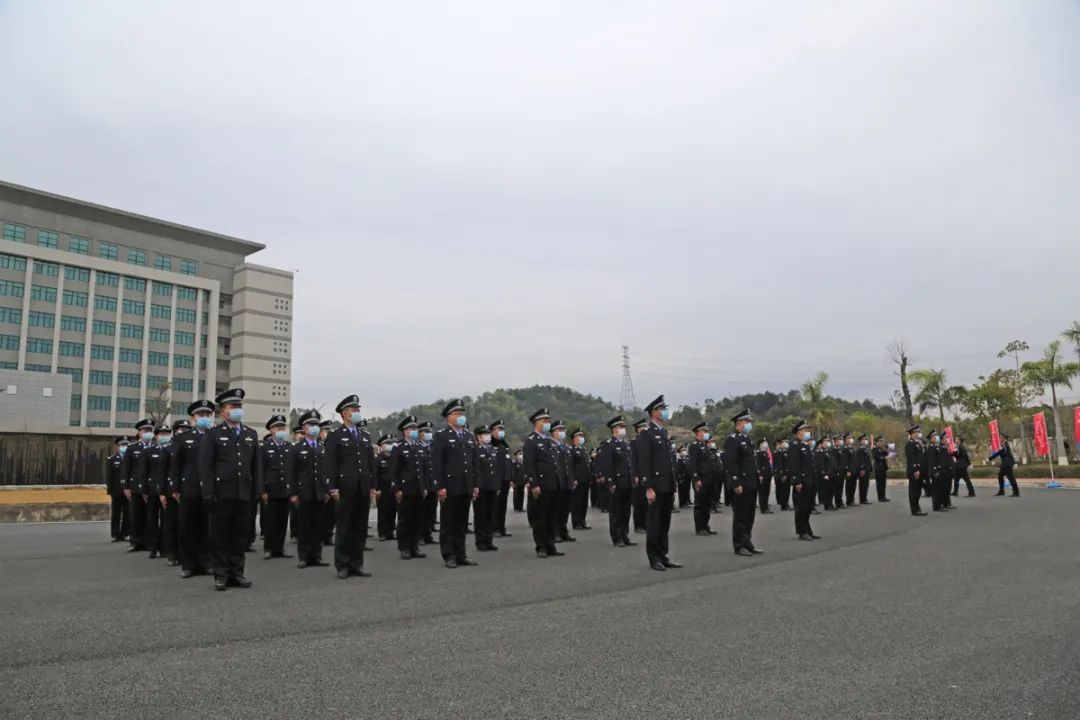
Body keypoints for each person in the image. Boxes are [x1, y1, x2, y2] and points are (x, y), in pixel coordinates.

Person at [199, 388, 262, 591]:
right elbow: (205, 466)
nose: (237, 410)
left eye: (239, 407)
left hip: (244, 493)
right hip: (221, 493)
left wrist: (257, 491)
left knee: (239, 536)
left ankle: (237, 573)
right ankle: (221, 574)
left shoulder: (250, 434)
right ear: (223, 411)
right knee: (220, 536)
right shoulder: (213, 434)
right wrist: (208, 492)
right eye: (233, 407)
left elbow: (256, 466)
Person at [323, 395, 376, 579]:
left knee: (359, 528)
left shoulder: (364, 436)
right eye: (353, 410)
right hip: (344, 488)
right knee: (344, 528)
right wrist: (332, 487)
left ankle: (357, 563)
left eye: (358, 410)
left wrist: (372, 486)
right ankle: (343, 565)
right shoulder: (335, 436)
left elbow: (370, 463)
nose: (357, 413)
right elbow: (329, 463)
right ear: (344, 413)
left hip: (362, 487)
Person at [431, 399, 480, 568]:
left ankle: (461, 554)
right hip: (450, 487)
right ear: (448, 417)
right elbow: (436, 463)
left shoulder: (468, 436)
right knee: (448, 523)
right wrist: (440, 486)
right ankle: (449, 555)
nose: (461, 417)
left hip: (466, 485)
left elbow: (474, 463)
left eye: (462, 414)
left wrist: (475, 484)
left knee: (461, 523)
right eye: (457, 414)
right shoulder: (442, 436)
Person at [635, 395, 682, 572]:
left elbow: (669, 461)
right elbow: (644, 462)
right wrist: (648, 487)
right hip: (655, 485)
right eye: (662, 409)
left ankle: (663, 554)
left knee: (664, 522)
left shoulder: (662, 432)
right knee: (654, 522)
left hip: (667, 484)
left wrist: (673, 483)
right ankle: (654, 558)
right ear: (654, 412)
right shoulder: (646, 433)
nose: (665, 412)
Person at [170, 400, 214, 578]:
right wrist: (175, 487)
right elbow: (176, 465)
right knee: (187, 528)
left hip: (210, 489)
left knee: (207, 528)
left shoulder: (215, 435)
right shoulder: (183, 438)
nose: (204, 418)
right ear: (193, 418)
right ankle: (188, 565)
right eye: (200, 415)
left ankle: (206, 562)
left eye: (207, 415)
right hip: (189, 488)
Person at [288, 410, 329, 568]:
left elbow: (326, 471)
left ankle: (317, 555)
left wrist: (327, 491)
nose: (315, 427)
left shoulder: (322, 448)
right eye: (311, 425)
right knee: (304, 526)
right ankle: (304, 557)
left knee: (318, 525)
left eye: (317, 425)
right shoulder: (296, 448)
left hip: (319, 492)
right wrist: (292, 493)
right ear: (304, 427)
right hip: (303, 492)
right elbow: (291, 473)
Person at [523, 408, 563, 558]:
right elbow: (529, 465)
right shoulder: (531, 441)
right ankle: (541, 546)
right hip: (541, 485)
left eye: (548, 421)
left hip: (554, 484)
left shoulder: (549, 441)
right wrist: (534, 484)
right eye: (545, 421)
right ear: (537, 423)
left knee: (552, 516)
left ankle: (550, 544)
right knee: (541, 516)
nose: (548, 423)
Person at [389, 415, 429, 560]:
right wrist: (397, 489)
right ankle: (404, 547)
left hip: (418, 489)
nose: (414, 431)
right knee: (405, 520)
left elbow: (424, 470)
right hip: (405, 489)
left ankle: (414, 546)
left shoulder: (420, 447)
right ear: (404, 431)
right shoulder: (398, 448)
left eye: (415, 428)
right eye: (411, 429)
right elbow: (394, 471)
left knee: (417, 519)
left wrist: (425, 487)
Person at [724, 409, 762, 557]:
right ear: (739, 423)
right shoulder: (732, 440)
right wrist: (736, 482)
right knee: (740, 516)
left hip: (751, 482)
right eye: (747, 422)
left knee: (749, 515)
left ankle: (747, 542)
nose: (749, 424)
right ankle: (739, 545)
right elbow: (731, 463)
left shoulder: (746, 438)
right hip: (741, 483)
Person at [596, 415, 635, 547]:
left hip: (627, 482)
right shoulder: (609, 445)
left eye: (624, 427)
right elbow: (607, 465)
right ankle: (616, 537)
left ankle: (625, 535)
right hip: (617, 483)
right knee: (616, 512)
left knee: (626, 511)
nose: (623, 429)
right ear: (614, 429)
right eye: (620, 427)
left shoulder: (626, 444)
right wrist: (611, 482)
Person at [259, 415, 294, 559]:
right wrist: (263, 490)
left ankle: (280, 548)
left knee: (282, 521)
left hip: (284, 489)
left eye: (283, 428)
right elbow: (261, 470)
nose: (281, 430)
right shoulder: (265, 447)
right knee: (270, 521)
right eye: (278, 428)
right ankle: (269, 548)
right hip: (270, 490)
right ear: (271, 430)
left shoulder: (288, 447)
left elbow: (291, 470)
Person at [123, 419, 155, 553]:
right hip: (135, 486)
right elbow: (126, 468)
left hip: (152, 486)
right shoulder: (132, 448)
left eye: (150, 430)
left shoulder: (157, 446)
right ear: (139, 433)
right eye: (145, 430)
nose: (148, 432)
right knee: (136, 514)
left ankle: (150, 542)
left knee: (151, 515)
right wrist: (126, 486)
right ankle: (135, 541)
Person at [156, 422, 182, 567]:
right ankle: (172, 554)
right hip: (170, 492)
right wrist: (161, 493)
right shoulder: (168, 450)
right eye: (180, 430)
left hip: (188, 492)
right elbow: (162, 473)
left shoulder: (196, 447)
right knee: (171, 525)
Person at [788, 421, 819, 541]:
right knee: (801, 507)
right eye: (805, 430)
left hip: (809, 480)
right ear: (799, 431)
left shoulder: (804, 445)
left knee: (808, 507)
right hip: (802, 481)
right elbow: (794, 466)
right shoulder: (794, 445)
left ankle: (808, 530)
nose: (807, 432)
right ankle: (802, 532)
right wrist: (797, 481)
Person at [472, 425, 499, 552]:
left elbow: (496, 470)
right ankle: (481, 541)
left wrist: (497, 485)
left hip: (492, 487)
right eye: (485, 434)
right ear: (478, 436)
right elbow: (474, 470)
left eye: (489, 434)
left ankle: (489, 540)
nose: (488, 436)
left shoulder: (493, 449)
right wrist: (475, 486)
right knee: (481, 516)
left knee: (491, 515)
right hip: (481, 488)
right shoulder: (475, 450)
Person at [687, 422, 717, 536]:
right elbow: (692, 464)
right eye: (705, 431)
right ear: (698, 433)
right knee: (700, 504)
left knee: (707, 504)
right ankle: (699, 528)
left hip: (709, 479)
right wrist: (696, 479)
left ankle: (706, 525)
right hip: (701, 479)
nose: (706, 433)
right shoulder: (694, 446)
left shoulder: (705, 446)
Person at [549, 420, 575, 543]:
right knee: (556, 510)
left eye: (563, 430)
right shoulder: (550, 446)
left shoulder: (566, 447)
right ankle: (555, 532)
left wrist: (573, 479)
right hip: (557, 482)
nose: (562, 432)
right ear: (553, 432)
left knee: (565, 509)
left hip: (567, 482)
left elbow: (570, 465)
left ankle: (564, 531)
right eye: (559, 430)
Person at [490, 420, 513, 537]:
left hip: (505, 479)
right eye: (499, 429)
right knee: (495, 505)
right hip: (495, 480)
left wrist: (511, 478)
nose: (501, 432)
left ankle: (501, 527)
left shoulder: (505, 444)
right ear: (492, 432)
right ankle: (494, 528)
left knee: (503, 505)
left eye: (502, 429)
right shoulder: (490, 444)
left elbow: (509, 462)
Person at [105, 437, 129, 542]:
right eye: (122, 445)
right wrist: (110, 490)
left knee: (128, 513)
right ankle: (115, 534)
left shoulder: (131, 458)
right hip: (116, 491)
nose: (124, 447)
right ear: (117, 447)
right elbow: (109, 476)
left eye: (126, 445)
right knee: (116, 513)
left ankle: (126, 533)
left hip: (128, 490)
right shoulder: (112, 459)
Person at [418, 420, 438, 544]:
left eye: (430, 431)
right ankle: (419, 535)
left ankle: (428, 534)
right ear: (420, 433)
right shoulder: (417, 446)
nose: (429, 434)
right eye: (426, 431)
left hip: (433, 484)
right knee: (421, 511)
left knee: (431, 511)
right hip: (423, 484)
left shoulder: (433, 447)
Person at [374, 434, 397, 542]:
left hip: (393, 488)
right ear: (381, 446)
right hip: (382, 489)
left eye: (390, 443)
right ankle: (382, 533)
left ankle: (390, 532)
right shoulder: (378, 459)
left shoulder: (395, 458)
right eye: (387, 443)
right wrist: (376, 489)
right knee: (383, 512)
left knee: (392, 511)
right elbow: (375, 475)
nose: (389, 445)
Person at [318, 419, 336, 547]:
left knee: (331, 513)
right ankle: (319, 536)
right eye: (325, 430)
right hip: (319, 485)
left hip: (332, 484)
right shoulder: (317, 446)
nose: (328, 433)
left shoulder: (333, 446)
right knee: (320, 514)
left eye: (329, 430)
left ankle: (328, 536)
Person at [569, 429, 592, 530]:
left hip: (585, 480)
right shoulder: (572, 450)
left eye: (582, 436)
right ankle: (576, 522)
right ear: (574, 439)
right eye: (579, 436)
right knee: (576, 502)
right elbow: (571, 466)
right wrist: (573, 479)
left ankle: (582, 521)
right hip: (577, 480)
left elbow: (587, 466)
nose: (582, 438)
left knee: (584, 502)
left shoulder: (583, 450)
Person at [630, 418, 649, 534]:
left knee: (647, 502)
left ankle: (646, 523)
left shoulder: (647, 442)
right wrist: (635, 475)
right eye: (642, 428)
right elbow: (633, 461)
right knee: (639, 502)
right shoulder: (634, 443)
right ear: (637, 430)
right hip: (638, 476)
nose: (645, 430)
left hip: (648, 476)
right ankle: (639, 525)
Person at [905, 425, 927, 516]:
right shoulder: (910, 444)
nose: (918, 433)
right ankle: (915, 509)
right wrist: (915, 469)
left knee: (918, 491)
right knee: (914, 491)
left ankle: (917, 507)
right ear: (913, 433)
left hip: (919, 470)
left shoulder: (917, 443)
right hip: (914, 471)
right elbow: (912, 458)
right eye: (917, 432)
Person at [755, 438, 774, 514]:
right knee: (762, 492)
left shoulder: (765, 453)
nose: (766, 444)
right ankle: (763, 508)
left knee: (767, 491)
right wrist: (760, 475)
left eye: (766, 442)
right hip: (762, 475)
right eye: (764, 442)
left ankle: (766, 506)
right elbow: (758, 465)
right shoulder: (758, 453)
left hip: (767, 474)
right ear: (760, 444)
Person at [773, 437, 792, 511]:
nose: (786, 443)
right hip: (783, 474)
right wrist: (782, 474)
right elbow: (779, 464)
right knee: (783, 490)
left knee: (787, 490)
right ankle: (784, 505)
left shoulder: (786, 451)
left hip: (787, 473)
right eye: (784, 442)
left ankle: (786, 503)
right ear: (781, 444)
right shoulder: (779, 452)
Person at [872, 436, 890, 502]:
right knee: (879, 483)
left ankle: (883, 496)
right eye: (881, 441)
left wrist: (886, 448)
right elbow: (876, 457)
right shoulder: (875, 448)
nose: (882, 442)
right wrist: (884, 458)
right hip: (878, 468)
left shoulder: (882, 448)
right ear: (877, 442)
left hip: (883, 467)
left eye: (882, 441)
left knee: (883, 483)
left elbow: (887, 453)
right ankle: (880, 497)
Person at [511, 449, 525, 513]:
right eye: (519, 454)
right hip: (516, 482)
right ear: (516, 456)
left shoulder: (523, 463)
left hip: (522, 481)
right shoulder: (514, 463)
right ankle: (516, 507)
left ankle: (520, 507)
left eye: (521, 454)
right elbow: (512, 473)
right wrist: (512, 481)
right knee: (516, 495)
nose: (521, 455)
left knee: (521, 494)